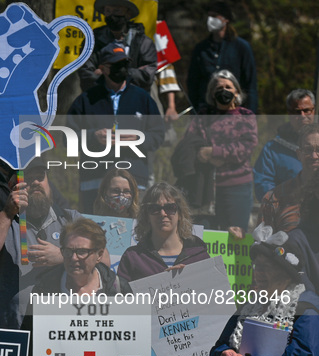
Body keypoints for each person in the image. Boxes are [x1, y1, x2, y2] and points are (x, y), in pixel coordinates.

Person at [117, 182, 214, 356]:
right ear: (145, 215)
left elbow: (213, 313)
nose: (163, 214)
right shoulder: (133, 257)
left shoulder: (199, 252)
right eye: (154, 208)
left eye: (170, 207)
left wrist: (190, 281)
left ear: (180, 212)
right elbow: (124, 313)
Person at [208, 224, 319, 356]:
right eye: (256, 266)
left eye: (265, 267)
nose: (257, 273)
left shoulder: (306, 309)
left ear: (286, 273)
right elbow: (219, 347)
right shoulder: (250, 304)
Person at [21, 218, 124, 356]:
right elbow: (30, 342)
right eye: (68, 251)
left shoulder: (118, 289)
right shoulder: (44, 290)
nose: (74, 258)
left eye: (82, 252)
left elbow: (134, 342)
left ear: (98, 254)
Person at [0, 159, 82, 328]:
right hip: (10, 332)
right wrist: (8, 213)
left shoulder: (71, 219)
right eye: (28, 178)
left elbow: (104, 261)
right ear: (12, 186)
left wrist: (63, 256)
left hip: (60, 330)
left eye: (40, 177)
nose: (36, 182)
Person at [68, 42, 164, 212]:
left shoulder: (143, 98)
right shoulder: (85, 100)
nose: (121, 69)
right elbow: (67, 138)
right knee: (93, 233)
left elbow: (158, 135)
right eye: (116, 65)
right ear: (103, 68)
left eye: (125, 65)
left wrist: (138, 138)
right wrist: (93, 137)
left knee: (133, 234)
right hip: (94, 181)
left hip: (134, 182)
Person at [178, 69, 257, 231]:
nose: (224, 91)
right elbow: (190, 143)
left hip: (237, 188)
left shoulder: (246, 115)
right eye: (219, 88)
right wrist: (204, 154)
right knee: (205, 238)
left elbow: (246, 147)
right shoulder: (203, 116)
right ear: (212, 93)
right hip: (205, 189)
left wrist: (213, 152)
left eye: (228, 87)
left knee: (235, 238)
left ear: (236, 91)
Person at [187, 1, 257, 113]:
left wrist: (251, 113)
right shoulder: (200, 49)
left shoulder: (241, 47)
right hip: (207, 111)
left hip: (235, 110)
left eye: (214, 16)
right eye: (209, 16)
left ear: (226, 19)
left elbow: (250, 84)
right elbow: (193, 84)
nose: (210, 20)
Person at [78, 0, 157, 92]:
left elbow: (147, 76)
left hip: (134, 100)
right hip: (100, 100)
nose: (112, 15)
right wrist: (131, 74)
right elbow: (86, 74)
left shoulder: (144, 42)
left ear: (128, 14)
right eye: (108, 11)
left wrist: (114, 73)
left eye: (117, 11)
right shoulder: (91, 42)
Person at [253, 89, 315, 201]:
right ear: (289, 113)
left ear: (314, 110)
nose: (302, 116)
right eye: (297, 111)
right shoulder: (272, 149)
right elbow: (263, 182)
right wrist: (282, 204)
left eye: (307, 110)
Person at [258, 123, 319, 233]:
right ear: (299, 154)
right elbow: (260, 246)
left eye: (318, 149)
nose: (314, 156)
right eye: (308, 150)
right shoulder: (274, 198)